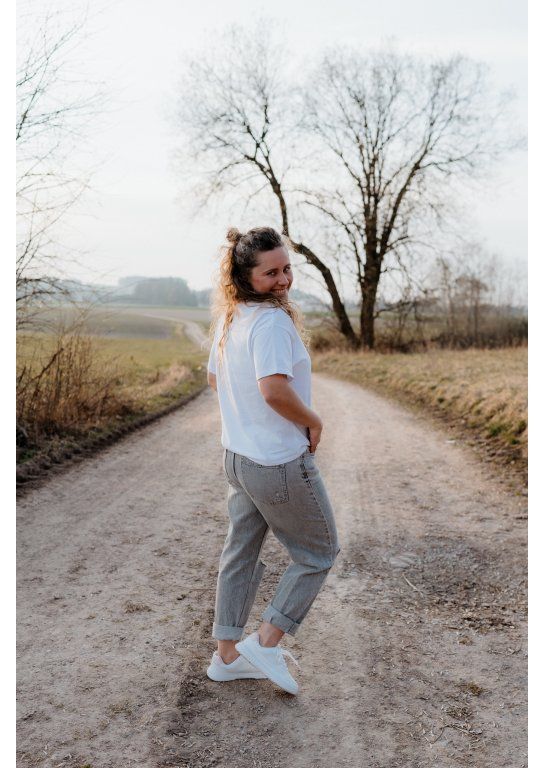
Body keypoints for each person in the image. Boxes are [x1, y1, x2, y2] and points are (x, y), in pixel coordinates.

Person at [203, 226, 341, 696]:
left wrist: (245, 418)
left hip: (239, 459)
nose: (283, 280)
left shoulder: (231, 317)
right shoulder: (271, 323)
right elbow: (274, 390)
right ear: (246, 276)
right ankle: (265, 643)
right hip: (277, 463)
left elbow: (215, 379)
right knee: (318, 553)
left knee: (240, 552)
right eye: (271, 273)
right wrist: (313, 421)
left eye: (287, 269)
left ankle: (227, 657)